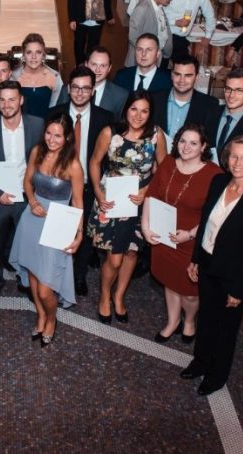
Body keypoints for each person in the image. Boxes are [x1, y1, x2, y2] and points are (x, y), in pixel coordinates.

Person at [180, 135, 243, 396]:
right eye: (234, 156)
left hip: (232, 276)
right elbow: (206, 223)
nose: (238, 162)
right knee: (206, 317)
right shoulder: (218, 182)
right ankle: (200, 361)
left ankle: (217, 376)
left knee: (226, 329)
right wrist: (195, 258)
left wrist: (238, 290)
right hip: (206, 262)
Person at [87, 90, 167, 324]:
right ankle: (104, 296)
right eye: (134, 109)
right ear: (126, 109)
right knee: (114, 258)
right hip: (112, 199)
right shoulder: (110, 132)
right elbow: (94, 162)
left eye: (145, 111)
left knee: (132, 252)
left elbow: (163, 170)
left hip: (140, 201)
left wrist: (146, 190)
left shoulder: (156, 136)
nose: (138, 115)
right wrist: (99, 192)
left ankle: (119, 296)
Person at [142, 123, 222, 343]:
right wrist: (145, 226)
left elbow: (216, 215)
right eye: (183, 141)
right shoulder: (168, 162)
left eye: (194, 143)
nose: (187, 147)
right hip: (164, 236)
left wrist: (190, 234)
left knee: (189, 290)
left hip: (191, 242)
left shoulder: (214, 175)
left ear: (203, 146)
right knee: (170, 282)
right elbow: (151, 195)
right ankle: (173, 321)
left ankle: (189, 321)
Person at [9, 113, 84, 346]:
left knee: (45, 287)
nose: (51, 139)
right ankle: (40, 315)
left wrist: (79, 234)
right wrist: (32, 202)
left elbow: (79, 203)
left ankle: (52, 318)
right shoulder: (36, 152)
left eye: (58, 136)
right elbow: (27, 183)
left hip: (59, 223)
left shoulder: (73, 165)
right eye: (49, 133)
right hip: (32, 218)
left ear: (68, 137)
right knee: (32, 270)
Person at [0, 80, 44, 309]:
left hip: (28, 197)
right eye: (2, 100)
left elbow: (45, 162)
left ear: (21, 100)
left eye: (12, 99)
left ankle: (28, 283)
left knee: (29, 243)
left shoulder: (37, 125)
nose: (7, 104)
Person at [49, 66, 114, 296]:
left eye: (85, 88)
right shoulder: (55, 114)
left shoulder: (105, 118)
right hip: (60, 184)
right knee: (57, 231)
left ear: (93, 90)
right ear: (68, 88)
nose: (80, 93)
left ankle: (78, 276)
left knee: (84, 234)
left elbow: (108, 156)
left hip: (88, 185)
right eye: (75, 88)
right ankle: (55, 274)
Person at [152, 55, 220, 147]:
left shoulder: (210, 105)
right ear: (171, 75)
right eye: (177, 74)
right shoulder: (154, 99)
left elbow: (209, 144)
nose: (182, 80)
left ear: (196, 77)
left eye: (188, 75)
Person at [57, 46, 128, 121]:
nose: (97, 70)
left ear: (109, 68)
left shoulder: (120, 96)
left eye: (103, 66)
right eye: (94, 64)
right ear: (86, 64)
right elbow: (57, 118)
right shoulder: (66, 90)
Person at [12, 33, 64, 119]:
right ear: (23, 55)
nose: (34, 57)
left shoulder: (54, 77)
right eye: (29, 52)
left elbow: (58, 108)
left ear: (43, 55)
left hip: (46, 128)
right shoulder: (14, 78)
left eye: (38, 52)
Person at [126, 0, 172, 67]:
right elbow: (133, 37)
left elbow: (163, 31)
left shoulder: (159, 8)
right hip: (142, 63)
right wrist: (148, 52)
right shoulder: (142, 8)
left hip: (158, 58)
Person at [68, 0, 115, 66]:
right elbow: (71, 1)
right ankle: (79, 65)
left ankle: (89, 66)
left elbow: (107, 1)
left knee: (93, 47)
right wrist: (71, 19)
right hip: (80, 17)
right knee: (79, 45)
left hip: (97, 18)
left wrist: (109, 16)